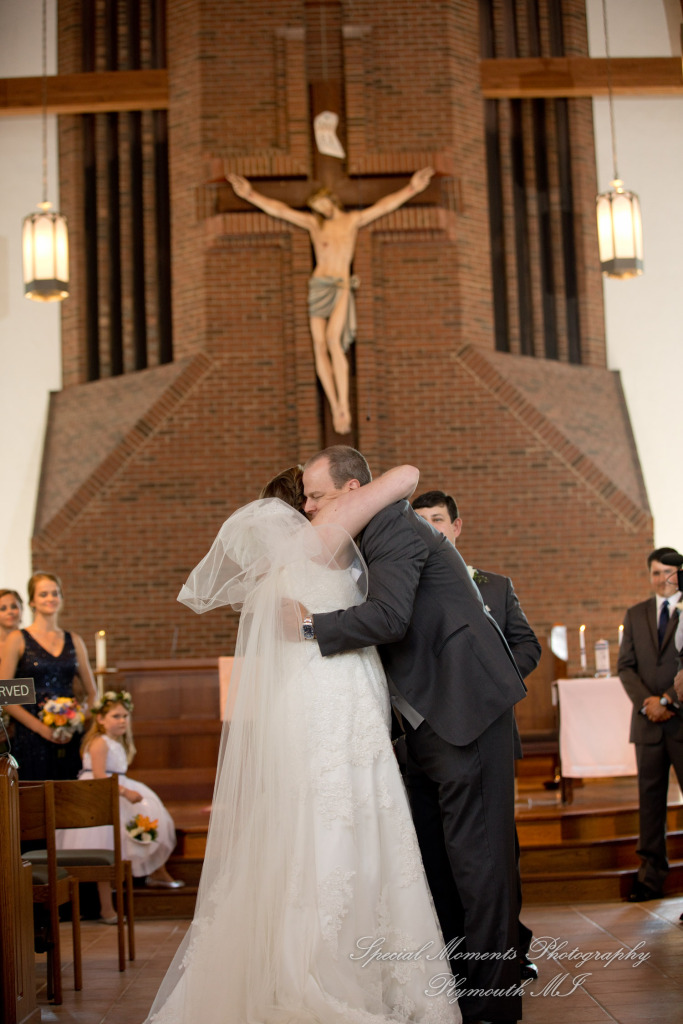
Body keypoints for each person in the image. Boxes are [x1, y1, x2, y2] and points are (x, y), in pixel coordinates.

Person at [145, 462, 460, 1024]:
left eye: (322, 498)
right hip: (332, 691)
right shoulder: (321, 541)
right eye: (310, 499)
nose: (319, 507)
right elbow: (405, 474)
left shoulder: (286, 561)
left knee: (335, 818)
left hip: (324, 691)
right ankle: (322, 970)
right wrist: (346, 496)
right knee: (339, 820)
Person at [301, 447, 528, 1024]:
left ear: (352, 490)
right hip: (424, 723)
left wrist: (306, 626)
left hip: (463, 711)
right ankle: (459, 983)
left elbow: (389, 618)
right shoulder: (365, 534)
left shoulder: (391, 526)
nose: (308, 507)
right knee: (443, 863)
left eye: (316, 496)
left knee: (481, 866)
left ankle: (495, 1003)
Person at [411, 489, 541, 983]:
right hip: (431, 740)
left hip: (488, 731)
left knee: (497, 852)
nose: (429, 528)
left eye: (437, 519)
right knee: (444, 854)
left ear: (457, 526)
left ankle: (512, 948)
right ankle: (462, 958)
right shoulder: (407, 587)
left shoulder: (494, 586)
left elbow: (526, 646)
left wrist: (485, 681)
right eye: (419, 520)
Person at [227, 168, 434, 435]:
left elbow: (383, 206)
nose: (320, 209)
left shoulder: (352, 220)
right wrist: (250, 194)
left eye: (322, 202)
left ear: (330, 199)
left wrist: (413, 188)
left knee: (335, 342)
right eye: (316, 206)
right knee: (319, 345)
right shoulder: (316, 225)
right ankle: (334, 402)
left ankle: (343, 406)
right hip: (318, 286)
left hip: (340, 285)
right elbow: (280, 210)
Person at [57, 689, 183, 923]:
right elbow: (98, 776)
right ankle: (107, 908)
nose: (122, 720)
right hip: (100, 795)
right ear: (101, 719)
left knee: (154, 819)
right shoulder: (99, 743)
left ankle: (156, 871)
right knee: (103, 847)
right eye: (116, 716)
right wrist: (124, 792)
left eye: (125, 716)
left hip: (116, 788)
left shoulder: (116, 743)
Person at [618, 547, 683, 902]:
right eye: (657, 572)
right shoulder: (637, 613)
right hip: (648, 725)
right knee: (650, 802)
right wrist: (649, 703)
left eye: (670, 573)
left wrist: (667, 701)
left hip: (680, 718)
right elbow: (625, 666)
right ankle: (651, 876)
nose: (663, 579)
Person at [2, 572, 98, 780]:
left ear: (61, 598)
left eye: (55, 593)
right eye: (43, 594)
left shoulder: (74, 640)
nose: (50, 598)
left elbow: (93, 694)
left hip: (69, 734)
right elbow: (6, 696)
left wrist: (74, 721)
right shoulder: (18, 639)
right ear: (32, 601)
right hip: (30, 734)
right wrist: (43, 729)